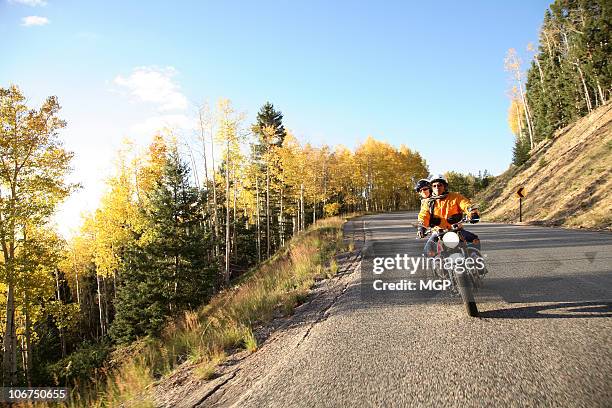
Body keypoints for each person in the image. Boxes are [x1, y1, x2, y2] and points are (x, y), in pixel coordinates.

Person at [416, 175, 481, 257]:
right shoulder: (428, 202)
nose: (437, 187)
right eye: (434, 186)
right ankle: (438, 266)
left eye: (439, 185)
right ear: (431, 187)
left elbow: (466, 205)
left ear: (445, 186)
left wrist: (473, 213)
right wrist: (421, 227)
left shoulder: (455, 197)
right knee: (427, 252)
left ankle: (476, 259)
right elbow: (423, 215)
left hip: (456, 230)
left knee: (474, 239)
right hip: (438, 232)